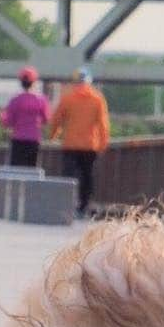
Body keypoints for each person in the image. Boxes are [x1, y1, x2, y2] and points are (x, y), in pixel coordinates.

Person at [48, 67, 109, 216]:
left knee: (69, 176)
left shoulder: (68, 98)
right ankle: (84, 206)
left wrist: (53, 136)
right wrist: (102, 143)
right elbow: (103, 124)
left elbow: (56, 120)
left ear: (74, 82)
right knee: (87, 176)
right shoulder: (97, 99)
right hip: (90, 145)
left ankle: (66, 205)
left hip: (71, 144)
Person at [0, 66, 51, 168]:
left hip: (18, 140)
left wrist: (2, 117)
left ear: (21, 82)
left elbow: (8, 121)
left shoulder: (15, 100)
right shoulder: (41, 100)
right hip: (34, 140)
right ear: (34, 81)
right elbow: (46, 119)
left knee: (16, 171)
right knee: (32, 170)